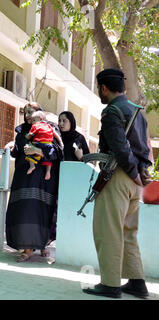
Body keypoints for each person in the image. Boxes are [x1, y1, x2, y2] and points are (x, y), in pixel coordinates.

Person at [83, 68, 152, 299]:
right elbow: (144, 148)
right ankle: (136, 282)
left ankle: (111, 285)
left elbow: (121, 147)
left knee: (108, 231)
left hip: (119, 177)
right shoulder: (136, 111)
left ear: (104, 88)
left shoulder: (112, 111)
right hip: (135, 182)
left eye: (99, 89)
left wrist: (132, 172)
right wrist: (140, 174)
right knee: (128, 232)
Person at [4, 102, 62, 263]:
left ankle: (38, 246)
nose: (28, 115)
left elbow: (58, 150)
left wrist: (39, 151)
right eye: (25, 112)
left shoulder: (50, 127)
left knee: (38, 212)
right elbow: (19, 151)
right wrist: (12, 145)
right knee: (23, 211)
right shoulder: (22, 130)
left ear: (39, 113)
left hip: (42, 178)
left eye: (31, 111)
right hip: (23, 176)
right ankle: (27, 247)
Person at [25, 110, 64, 180]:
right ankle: (48, 171)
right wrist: (61, 142)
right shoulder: (49, 126)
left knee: (30, 152)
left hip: (38, 143)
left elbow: (31, 134)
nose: (32, 122)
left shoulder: (35, 125)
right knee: (49, 158)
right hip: (49, 144)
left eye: (33, 120)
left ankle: (32, 166)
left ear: (40, 118)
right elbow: (55, 134)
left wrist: (27, 136)